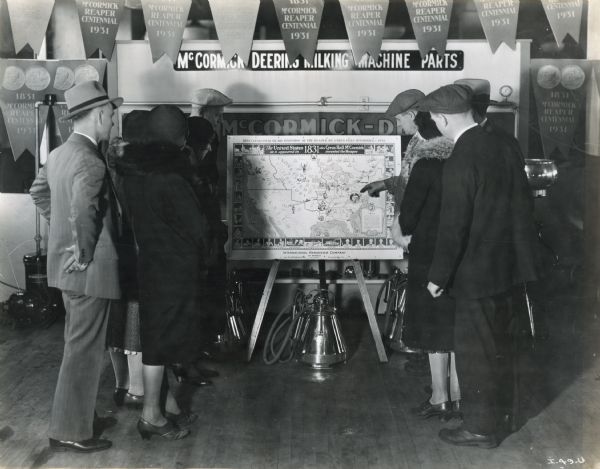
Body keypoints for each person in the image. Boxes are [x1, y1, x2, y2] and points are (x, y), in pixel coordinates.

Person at [421, 84, 539, 448]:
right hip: (510, 270)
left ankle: (480, 428)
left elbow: (454, 224)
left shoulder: (462, 157)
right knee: (505, 346)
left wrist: (438, 276)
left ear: (441, 119)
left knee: (477, 353)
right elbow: (523, 208)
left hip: (475, 275)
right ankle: (506, 416)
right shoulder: (505, 144)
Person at [30, 80, 122, 453]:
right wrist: (82, 250)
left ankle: (79, 416)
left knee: (78, 344)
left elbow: (38, 192)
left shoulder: (58, 154)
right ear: (99, 114)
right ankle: (69, 430)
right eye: (112, 115)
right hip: (88, 269)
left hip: (65, 269)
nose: (114, 122)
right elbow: (84, 210)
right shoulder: (89, 159)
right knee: (83, 349)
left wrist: (63, 234)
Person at [116, 105, 211, 440]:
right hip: (177, 269)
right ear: (178, 138)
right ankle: (151, 415)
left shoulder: (132, 175)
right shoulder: (173, 178)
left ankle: (166, 406)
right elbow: (199, 229)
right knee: (162, 343)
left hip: (149, 266)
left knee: (156, 335)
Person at [394, 112, 460, 420]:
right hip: (460, 257)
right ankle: (459, 396)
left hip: (428, 256)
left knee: (433, 330)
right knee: (455, 326)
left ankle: (439, 397)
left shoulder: (425, 166)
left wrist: (399, 226)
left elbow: (408, 218)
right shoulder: (463, 163)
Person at [360, 89, 429, 375]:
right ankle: (424, 349)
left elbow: (421, 188)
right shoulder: (417, 140)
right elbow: (406, 179)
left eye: (400, 120)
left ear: (413, 115)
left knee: (427, 292)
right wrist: (384, 184)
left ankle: (428, 352)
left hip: (422, 229)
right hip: (412, 228)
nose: (398, 126)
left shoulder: (433, 144)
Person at [188, 88, 232, 356]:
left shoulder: (188, 132)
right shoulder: (204, 136)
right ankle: (204, 342)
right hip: (204, 225)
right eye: (219, 114)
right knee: (208, 282)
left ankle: (205, 341)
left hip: (206, 224)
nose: (221, 119)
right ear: (207, 113)